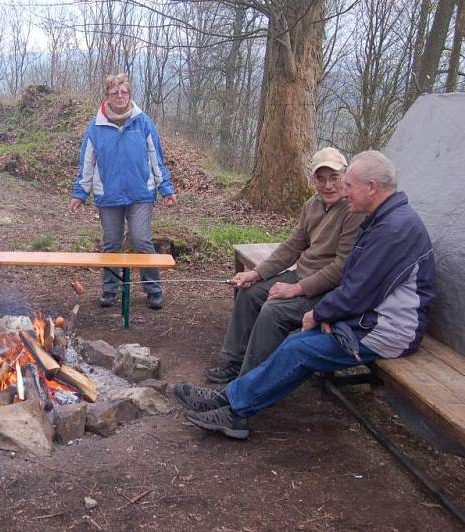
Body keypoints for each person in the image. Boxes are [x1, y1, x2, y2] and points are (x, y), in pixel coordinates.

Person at [175, 151, 436, 440]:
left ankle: (235, 410)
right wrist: (333, 315)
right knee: (297, 343)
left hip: (388, 329)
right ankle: (230, 397)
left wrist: (321, 313)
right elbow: (360, 286)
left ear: (371, 187)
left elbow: (357, 289)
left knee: (298, 348)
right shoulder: (383, 219)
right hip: (367, 318)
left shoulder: (395, 229)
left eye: (347, 184)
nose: (343, 191)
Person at [203, 147, 365, 384]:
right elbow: (292, 246)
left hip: (327, 291)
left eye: (334, 177)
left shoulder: (353, 212)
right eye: (321, 179)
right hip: (301, 274)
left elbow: (341, 268)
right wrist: (257, 273)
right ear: (313, 180)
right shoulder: (312, 205)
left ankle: (249, 384)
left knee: (273, 310)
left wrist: (295, 289)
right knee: (248, 292)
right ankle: (233, 362)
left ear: (345, 176)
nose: (328, 185)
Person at [69, 73, 176, 310]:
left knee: (141, 240)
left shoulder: (143, 122)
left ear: (130, 94)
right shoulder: (96, 127)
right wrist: (80, 193)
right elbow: (87, 164)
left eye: (124, 92)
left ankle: (153, 290)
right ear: (107, 96)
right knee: (111, 244)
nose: (120, 96)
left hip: (140, 194)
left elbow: (156, 159)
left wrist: (166, 188)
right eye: (114, 92)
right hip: (108, 196)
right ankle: (110, 290)